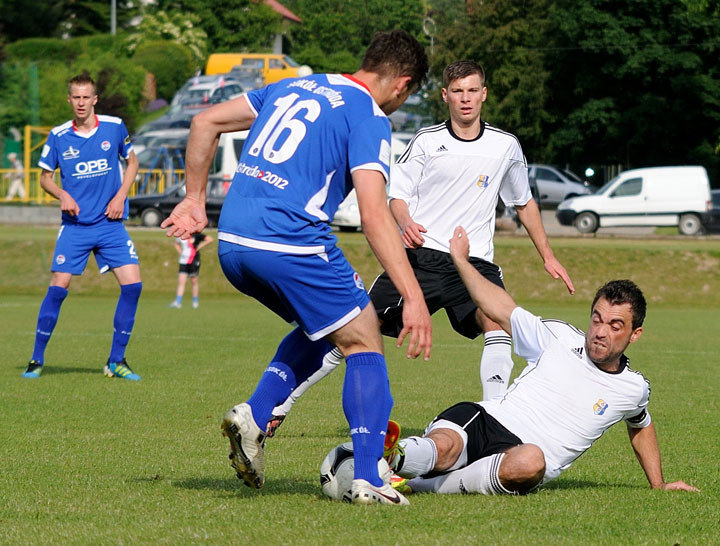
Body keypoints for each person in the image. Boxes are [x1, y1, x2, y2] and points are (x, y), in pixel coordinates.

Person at [161, 29, 432, 506]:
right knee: (364, 335)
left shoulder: (289, 85)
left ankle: (255, 415)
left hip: (233, 243)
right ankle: (368, 478)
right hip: (290, 241)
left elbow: (203, 122)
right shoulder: (368, 115)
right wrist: (412, 296)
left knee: (325, 327)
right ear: (403, 84)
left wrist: (193, 201)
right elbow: (373, 213)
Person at [266, 60, 575, 434]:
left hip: (474, 263)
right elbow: (397, 197)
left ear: (484, 94)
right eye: (458, 91)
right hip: (421, 258)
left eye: (473, 90)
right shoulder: (426, 141)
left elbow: (523, 202)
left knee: (499, 323)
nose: (466, 99)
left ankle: (496, 420)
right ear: (446, 96)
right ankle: (282, 403)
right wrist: (406, 221)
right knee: (356, 327)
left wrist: (548, 255)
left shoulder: (505, 146)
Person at [382, 226, 699, 496]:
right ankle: (388, 457)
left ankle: (420, 485)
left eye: (615, 326)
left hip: (521, 457)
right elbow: (500, 306)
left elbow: (640, 424)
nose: (600, 332)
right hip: (485, 420)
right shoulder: (559, 336)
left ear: (635, 334)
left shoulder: (633, 388)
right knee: (444, 447)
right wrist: (460, 262)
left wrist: (657, 484)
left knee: (532, 461)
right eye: (597, 320)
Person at [22, 73, 142, 381]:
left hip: (111, 223)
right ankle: (36, 360)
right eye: (75, 97)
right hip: (75, 227)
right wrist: (62, 194)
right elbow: (45, 177)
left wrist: (120, 196)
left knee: (133, 286)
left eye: (86, 97)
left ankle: (116, 361)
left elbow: (133, 162)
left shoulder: (114, 127)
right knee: (58, 288)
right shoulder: (59, 135)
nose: (80, 102)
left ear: (95, 99)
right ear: (69, 100)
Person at [169, 231, 213, 309]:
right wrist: (181, 252)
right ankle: (178, 302)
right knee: (181, 281)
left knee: (194, 281)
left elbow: (210, 239)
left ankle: (195, 302)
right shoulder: (181, 234)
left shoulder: (196, 234)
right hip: (183, 261)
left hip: (194, 260)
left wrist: (200, 246)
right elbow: (176, 243)